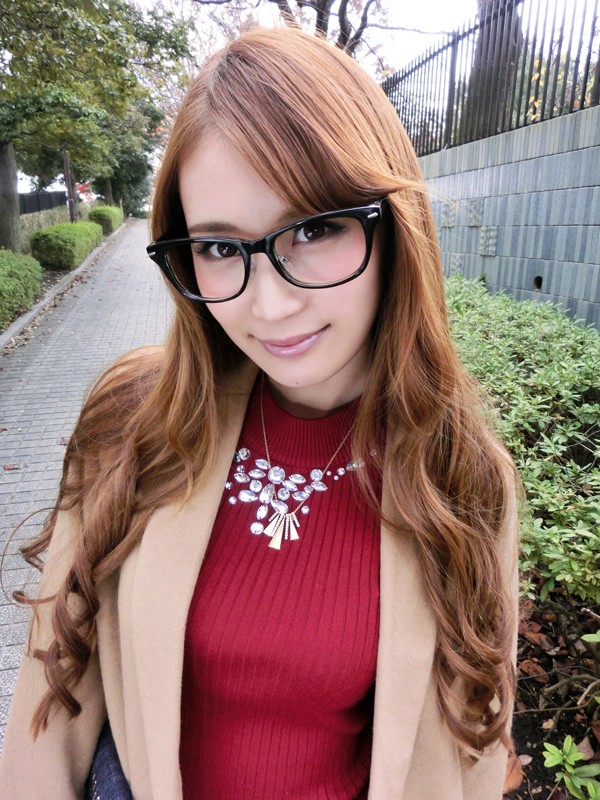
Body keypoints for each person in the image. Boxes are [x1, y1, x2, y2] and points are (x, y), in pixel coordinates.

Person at [0, 25, 519, 800]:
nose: (269, 305)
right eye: (219, 248)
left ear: (393, 227)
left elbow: (471, 745)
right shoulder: (132, 426)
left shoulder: (462, 474)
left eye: (314, 229)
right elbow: (52, 705)